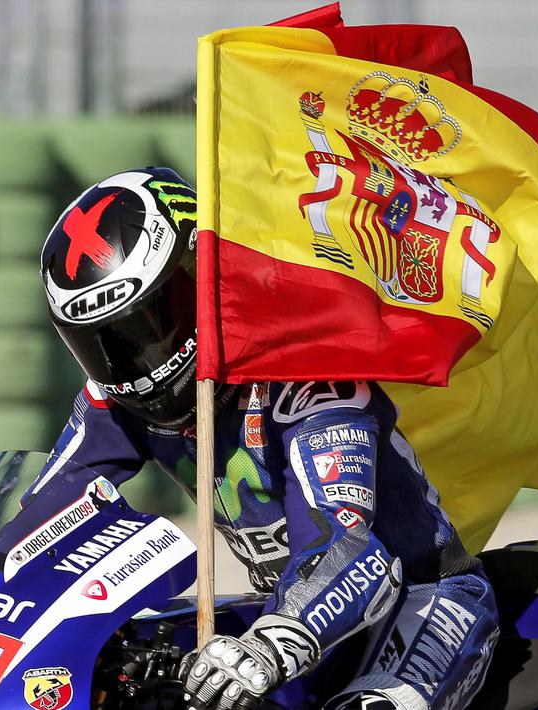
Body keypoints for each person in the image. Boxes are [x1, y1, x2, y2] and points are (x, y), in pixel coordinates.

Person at [35, 167, 498, 710]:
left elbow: (352, 551)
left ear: (199, 280)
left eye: (147, 326)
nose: (134, 361)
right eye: (104, 343)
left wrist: (272, 644)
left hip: (419, 599)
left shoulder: (307, 374)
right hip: (284, 613)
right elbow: (44, 514)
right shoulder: (114, 395)